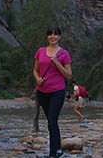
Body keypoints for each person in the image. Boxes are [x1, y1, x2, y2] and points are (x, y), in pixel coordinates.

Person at [33, 26, 72, 158]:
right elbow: (35, 70)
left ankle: (53, 153)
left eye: (55, 34)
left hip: (57, 91)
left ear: (59, 37)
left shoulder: (64, 54)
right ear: (47, 36)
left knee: (52, 121)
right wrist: (37, 79)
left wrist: (56, 62)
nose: (52, 37)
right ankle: (58, 150)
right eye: (50, 34)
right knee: (51, 121)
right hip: (42, 91)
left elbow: (68, 75)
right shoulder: (40, 51)